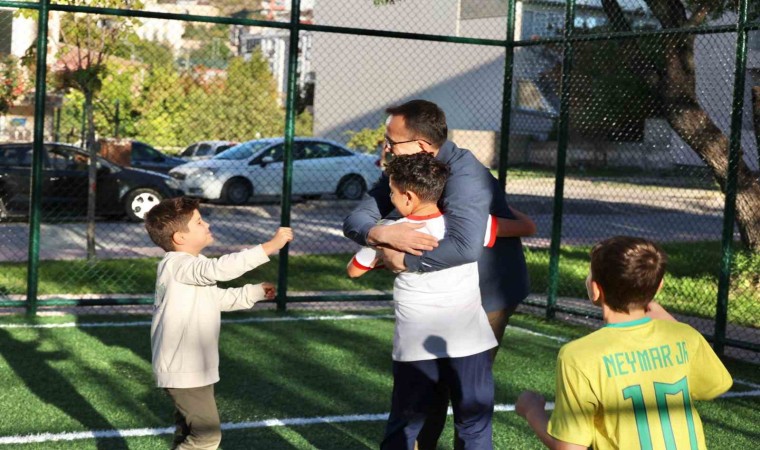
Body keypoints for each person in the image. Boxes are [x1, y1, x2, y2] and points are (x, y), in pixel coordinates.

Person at [343, 99, 534, 448]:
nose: (385, 147)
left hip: (487, 294)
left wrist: (405, 261)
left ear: (421, 145)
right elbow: (357, 219)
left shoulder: (466, 176)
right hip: (439, 297)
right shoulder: (405, 169)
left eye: (391, 140)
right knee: (427, 396)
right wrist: (380, 233)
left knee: (464, 401)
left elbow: (464, 246)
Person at [516, 236, 733, 450]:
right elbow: (717, 385)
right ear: (659, 287)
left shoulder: (578, 356)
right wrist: (666, 317)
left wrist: (532, 410)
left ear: (595, 289)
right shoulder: (685, 336)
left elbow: (569, 448)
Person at [348, 153, 498, 449]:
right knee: (474, 425)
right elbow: (505, 231)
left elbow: (354, 270)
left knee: (405, 426)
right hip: (471, 343)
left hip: (416, 348)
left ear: (408, 197)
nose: (390, 198)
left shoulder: (390, 232)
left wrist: (384, 254)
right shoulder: (468, 225)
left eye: (392, 192)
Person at [144, 197, 293, 450]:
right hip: (184, 370)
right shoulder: (179, 265)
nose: (207, 224)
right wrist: (269, 246)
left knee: (188, 434)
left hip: (192, 369)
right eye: (199, 222)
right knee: (207, 438)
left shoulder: (187, 267)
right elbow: (221, 269)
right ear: (180, 237)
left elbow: (215, 299)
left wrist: (254, 292)